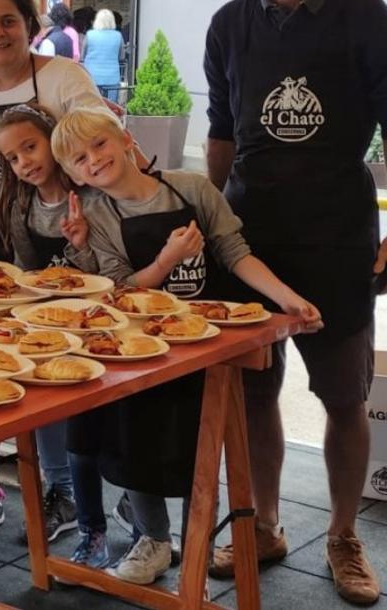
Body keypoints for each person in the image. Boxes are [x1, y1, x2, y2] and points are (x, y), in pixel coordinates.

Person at [204, 0, 387, 605]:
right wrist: (211, 219)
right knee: (253, 394)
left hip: (339, 237)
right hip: (252, 238)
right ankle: (264, 523)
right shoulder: (228, 24)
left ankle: (344, 535)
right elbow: (221, 131)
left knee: (344, 397)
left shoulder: (364, 16)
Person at [50, 106, 321, 586]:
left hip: (207, 344)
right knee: (138, 442)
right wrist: (168, 258)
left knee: (197, 443)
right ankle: (153, 539)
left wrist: (288, 300)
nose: (92, 160)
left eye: (98, 145)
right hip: (140, 351)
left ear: (126, 139)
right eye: (77, 159)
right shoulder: (96, 215)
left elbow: (236, 254)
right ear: (74, 176)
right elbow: (123, 292)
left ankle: (198, 536)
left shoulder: (192, 189)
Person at [0, 103, 100, 558]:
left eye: (31, 147)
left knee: (98, 425)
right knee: (44, 405)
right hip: (46, 326)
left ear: (53, 141)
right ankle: (62, 493)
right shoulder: (21, 204)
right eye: (14, 158)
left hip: (96, 321)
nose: (25, 163)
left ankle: (131, 508)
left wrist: (80, 250)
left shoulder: (94, 194)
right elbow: (26, 272)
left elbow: (111, 268)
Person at [0, 0, 108, 259]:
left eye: (8, 21)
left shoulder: (64, 76)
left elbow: (108, 143)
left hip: (70, 239)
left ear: (28, 24)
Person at [82, 9, 124, 100]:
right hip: (112, 77)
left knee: (92, 105)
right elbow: (121, 57)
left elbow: (83, 56)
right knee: (112, 107)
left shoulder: (89, 35)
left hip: (91, 77)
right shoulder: (118, 36)